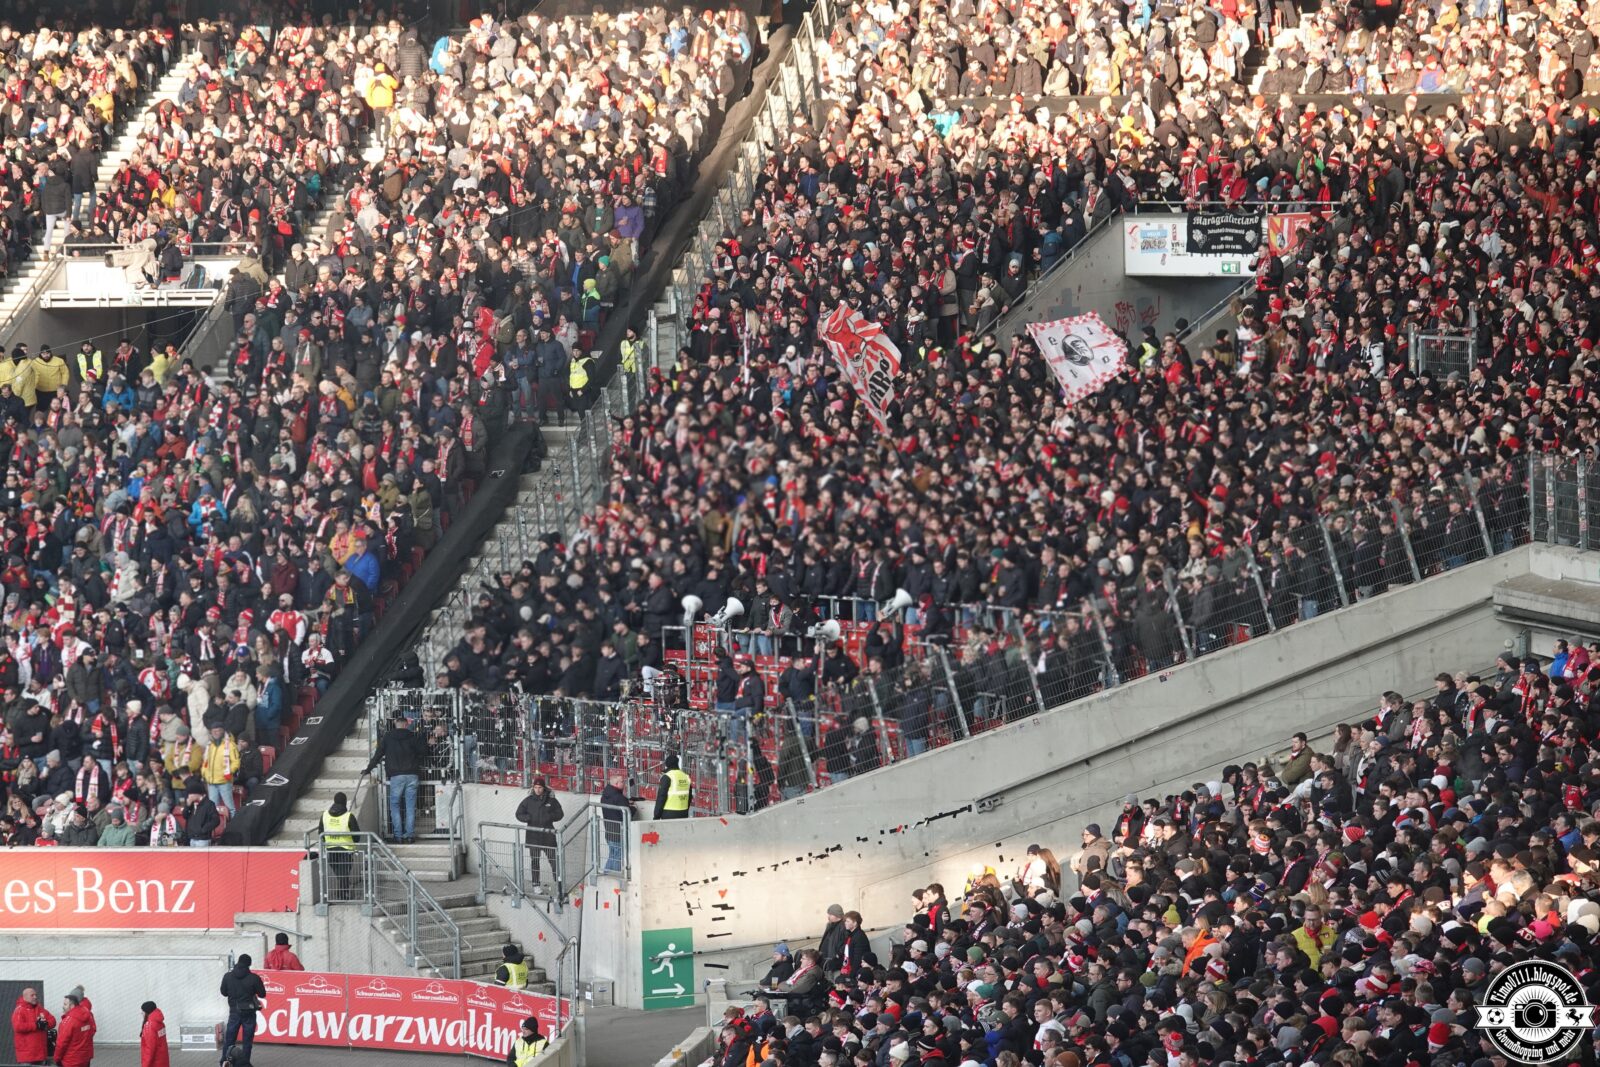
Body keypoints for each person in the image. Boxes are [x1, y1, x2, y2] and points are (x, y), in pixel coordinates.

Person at [364, 714, 426, 843]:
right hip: (412, 774)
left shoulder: (388, 737)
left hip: (396, 776)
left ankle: (398, 836)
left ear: (396, 725)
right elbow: (423, 752)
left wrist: (368, 769)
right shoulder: (413, 736)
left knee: (395, 805)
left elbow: (378, 755)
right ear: (406, 724)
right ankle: (409, 836)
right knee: (410, 806)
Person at [514, 778, 563, 888]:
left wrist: (549, 817)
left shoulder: (551, 800)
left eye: (540, 787)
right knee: (535, 861)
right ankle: (536, 885)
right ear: (533, 788)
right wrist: (528, 818)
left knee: (554, 861)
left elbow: (560, 814)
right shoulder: (528, 800)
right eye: (535, 787)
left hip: (548, 836)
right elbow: (518, 814)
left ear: (544, 788)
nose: (537, 790)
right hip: (533, 836)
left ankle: (559, 885)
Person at [218, 954, 266, 1067]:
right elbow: (262, 994)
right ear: (249, 964)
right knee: (247, 1042)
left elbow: (223, 992)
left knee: (229, 1040)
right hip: (249, 1013)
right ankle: (244, 1064)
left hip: (234, 1012)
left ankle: (225, 1062)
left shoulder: (227, 976)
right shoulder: (254, 978)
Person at [320, 791, 359, 901]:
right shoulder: (348, 816)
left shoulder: (325, 815)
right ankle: (342, 894)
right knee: (344, 873)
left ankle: (342, 893)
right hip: (346, 850)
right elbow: (357, 836)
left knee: (341, 874)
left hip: (330, 850)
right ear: (345, 802)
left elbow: (320, 833)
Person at [598, 771, 634, 873]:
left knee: (613, 855)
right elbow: (627, 814)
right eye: (622, 782)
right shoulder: (619, 798)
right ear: (616, 784)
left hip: (609, 831)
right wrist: (633, 808)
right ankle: (614, 876)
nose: (624, 784)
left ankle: (606, 874)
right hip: (619, 832)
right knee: (617, 856)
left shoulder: (605, 796)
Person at [10, 987, 54, 1066]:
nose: (35, 997)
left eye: (36, 995)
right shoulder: (19, 1010)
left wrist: (45, 1024)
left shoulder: (40, 1009)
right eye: (32, 995)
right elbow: (18, 1026)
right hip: (27, 1056)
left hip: (40, 1054)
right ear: (25, 996)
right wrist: (36, 1025)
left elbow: (53, 1021)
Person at [53, 993, 93, 1067]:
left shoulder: (68, 1022)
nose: (63, 1006)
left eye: (65, 1004)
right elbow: (92, 1031)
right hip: (85, 1059)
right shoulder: (89, 1016)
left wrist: (56, 1059)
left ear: (72, 1006)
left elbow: (61, 1044)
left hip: (71, 1061)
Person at [652, 754, 692, 820]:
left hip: (669, 813)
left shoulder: (667, 776)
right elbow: (689, 797)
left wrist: (656, 816)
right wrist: (685, 810)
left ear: (667, 764)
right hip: (683, 813)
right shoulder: (686, 777)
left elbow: (661, 797)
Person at [139, 1001, 169, 1067]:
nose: (141, 1013)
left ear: (147, 1012)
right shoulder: (160, 1022)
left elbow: (149, 1049)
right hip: (162, 1058)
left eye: (143, 1011)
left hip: (155, 1062)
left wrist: (145, 1065)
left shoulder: (150, 1026)